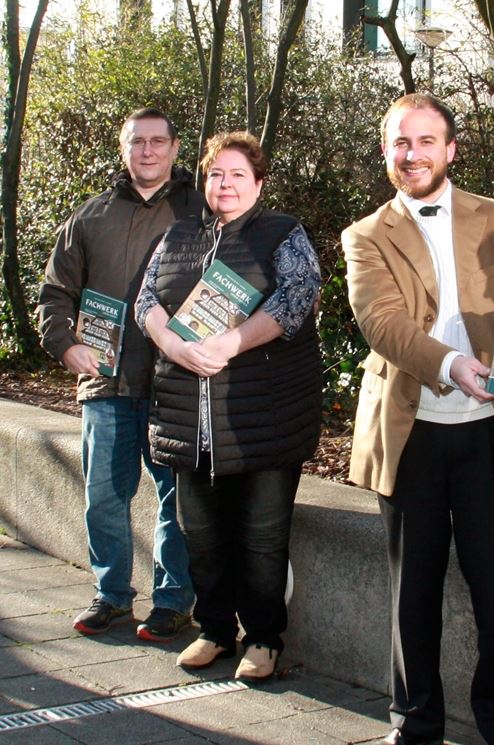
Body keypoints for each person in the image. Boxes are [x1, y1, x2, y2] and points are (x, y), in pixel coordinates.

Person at [342, 93, 494, 745]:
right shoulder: (365, 235)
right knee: (414, 593)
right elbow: (383, 323)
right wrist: (454, 363)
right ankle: (414, 722)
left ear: (451, 148)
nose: (413, 154)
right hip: (411, 434)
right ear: (386, 152)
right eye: (400, 143)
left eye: (426, 141)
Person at [135, 131, 322, 683]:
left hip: (262, 421)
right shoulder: (176, 238)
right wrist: (174, 345)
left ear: (259, 184)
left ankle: (264, 639)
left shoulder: (282, 233)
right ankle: (215, 630)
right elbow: (146, 301)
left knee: (263, 539)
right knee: (202, 535)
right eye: (217, 174)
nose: (226, 184)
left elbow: (296, 297)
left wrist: (229, 344)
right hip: (188, 421)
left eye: (239, 174)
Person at [37, 107, 200, 641]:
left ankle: (173, 601)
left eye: (158, 142)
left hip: (175, 385)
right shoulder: (89, 218)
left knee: (177, 502)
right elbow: (55, 294)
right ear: (123, 148)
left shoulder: (202, 213)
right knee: (105, 497)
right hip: (106, 384)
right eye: (137, 142)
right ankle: (111, 595)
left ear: (175, 149)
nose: (147, 151)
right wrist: (65, 346)